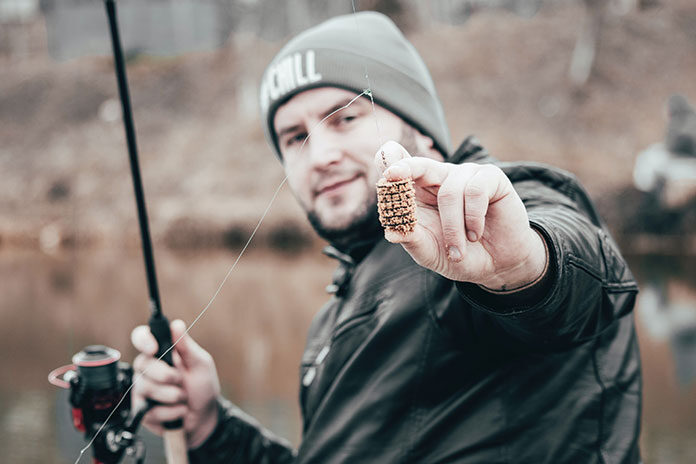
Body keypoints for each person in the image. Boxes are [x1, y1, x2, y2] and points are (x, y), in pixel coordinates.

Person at [131, 11, 642, 463]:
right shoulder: (335, 312)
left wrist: (525, 268)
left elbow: (586, 279)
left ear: (421, 131)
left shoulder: (489, 216)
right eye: (295, 137)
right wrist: (211, 430)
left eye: (347, 117)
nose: (319, 154)